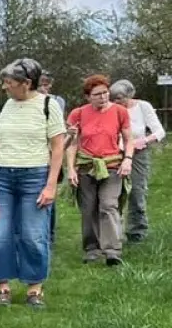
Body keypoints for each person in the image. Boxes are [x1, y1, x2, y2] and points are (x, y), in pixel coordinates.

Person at [0, 58, 67, 307]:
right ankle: (3, 287)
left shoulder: (48, 105)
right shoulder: (2, 107)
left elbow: (58, 147)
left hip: (35, 176)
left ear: (26, 83)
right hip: (0, 176)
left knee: (33, 235)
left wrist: (51, 185)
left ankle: (34, 288)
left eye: (9, 82)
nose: (4, 87)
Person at [65, 74, 136, 266]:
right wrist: (71, 169)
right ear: (88, 97)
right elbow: (72, 145)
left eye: (105, 93)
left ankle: (112, 250)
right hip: (87, 167)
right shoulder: (78, 114)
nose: (103, 97)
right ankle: (92, 249)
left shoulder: (120, 112)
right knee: (88, 209)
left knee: (109, 205)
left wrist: (128, 159)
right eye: (97, 94)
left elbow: (129, 139)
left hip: (112, 166)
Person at [110, 79, 166, 242]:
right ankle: (113, 231)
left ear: (129, 95)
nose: (116, 102)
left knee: (137, 191)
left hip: (138, 154)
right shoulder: (112, 109)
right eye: (114, 98)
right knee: (113, 193)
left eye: (119, 98)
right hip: (114, 153)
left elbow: (160, 131)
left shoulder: (143, 106)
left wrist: (144, 141)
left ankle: (136, 231)